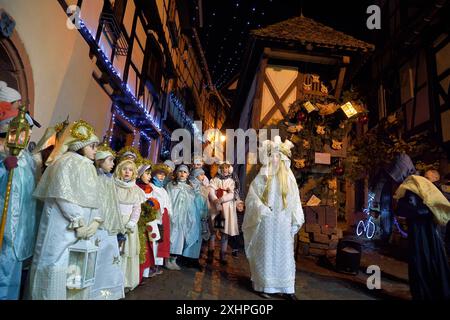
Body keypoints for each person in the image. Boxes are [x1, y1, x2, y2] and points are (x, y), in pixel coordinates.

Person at [28, 120, 103, 300]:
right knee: (56, 263)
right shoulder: (66, 162)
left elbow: (95, 197)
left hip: (82, 230)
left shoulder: (87, 166)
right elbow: (63, 194)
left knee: (76, 268)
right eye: (92, 146)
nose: (95, 151)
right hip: (63, 227)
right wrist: (78, 221)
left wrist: (95, 219)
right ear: (80, 146)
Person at [243, 136, 304, 300]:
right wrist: (261, 208)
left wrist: (296, 219)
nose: (276, 159)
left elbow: (295, 200)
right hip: (267, 223)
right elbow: (252, 196)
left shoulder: (289, 179)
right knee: (267, 253)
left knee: (284, 254)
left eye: (279, 156)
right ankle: (265, 285)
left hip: (283, 222)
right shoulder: (263, 175)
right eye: (273, 156)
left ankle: (287, 288)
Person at [393, 154, 450, 300]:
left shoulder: (422, 188)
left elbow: (416, 210)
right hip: (426, 233)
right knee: (429, 263)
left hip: (425, 233)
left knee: (424, 264)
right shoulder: (418, 188)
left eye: (428, 178)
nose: (426, 180)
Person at [0, 86, 39, 300]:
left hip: (18, 227)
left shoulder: (26, 157)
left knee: (12, 273)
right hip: (2, 223)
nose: (27, 135)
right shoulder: (4, 152)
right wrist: (3, 167)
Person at [90, 144, 125, 300]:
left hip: (108, 226)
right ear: (100, 160)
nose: (112, 164)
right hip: (97, 225)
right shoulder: (94, 177)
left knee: (108, 257)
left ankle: (106, 291)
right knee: (96, 258)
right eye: (110, 160)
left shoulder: (108, 179)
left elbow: (112, 203)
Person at [113, 159, 146, 292]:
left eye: (130, 170)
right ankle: (111, 280)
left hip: (128, 225)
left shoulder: (136, 190)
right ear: (119, 170)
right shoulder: (113, 185)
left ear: (134, 173)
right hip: (114, 221)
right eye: (124, 169)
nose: (127, 172)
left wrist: (132, 222)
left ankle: (124, 280)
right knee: (113, 251)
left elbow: (136, 209)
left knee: (126, 252)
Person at [165, 165, 198, 270]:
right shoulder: (171, 185)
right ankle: (167, 259)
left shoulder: (189, 188)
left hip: (183, 217)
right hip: (173, 215)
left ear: (188, 174)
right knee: (171, 236)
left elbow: (192, 202)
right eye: (180, 171)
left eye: (184, 172)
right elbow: (168, 199)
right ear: (176, 173)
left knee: (179, 238)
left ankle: (174, 259)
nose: (182, 174)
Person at [208, 162, 239, 265]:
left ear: (229, 169)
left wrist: (221, 199)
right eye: (223, 168)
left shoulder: (231, 181)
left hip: (226, 208)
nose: (225, 170)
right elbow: (211, 190)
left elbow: (232, 194)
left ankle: (223, 253)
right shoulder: (215, 180)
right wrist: (216, 200)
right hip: (216, 208)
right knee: (213, 230)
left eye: (226, 168)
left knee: (224, 232)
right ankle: (211, 252)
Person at [148, 163, 172, 273]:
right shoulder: (151, 187)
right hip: (154, 218)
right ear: (154, 175)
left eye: (163, 175)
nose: (161, 177)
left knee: (160, 240)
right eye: (159, 174)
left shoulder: (163, 190)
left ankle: (157, 264)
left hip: (163, 218)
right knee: (153, 240)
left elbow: (167, 203)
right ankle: (151, 264)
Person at [136, 159, 157, 281]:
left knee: (149, 247)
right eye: (147, 174)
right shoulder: (137, 188)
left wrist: (154, 205)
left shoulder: (150, 188)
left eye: (150, 174)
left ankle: (145, 272)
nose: (149, 177)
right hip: (140, 222)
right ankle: (138, 274)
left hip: (149, 222)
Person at [187, 168, 209, 269]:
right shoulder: (191, 185)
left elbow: (204, 201)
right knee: (191, 235)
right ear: (196, 175)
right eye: (201, 175)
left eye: (203, 175)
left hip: (200, 213)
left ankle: (195, 258)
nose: (203, 177)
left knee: (198, 237)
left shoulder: (202, 186)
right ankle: (188, 257)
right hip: (193, 213)